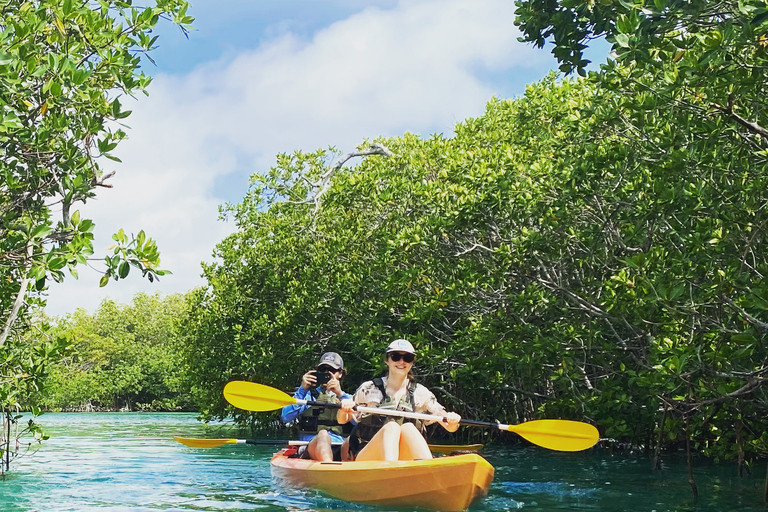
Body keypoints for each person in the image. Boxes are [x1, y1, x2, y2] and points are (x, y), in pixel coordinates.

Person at [337, 339, 461, 461]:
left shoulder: (421, 393)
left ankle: (428, 471)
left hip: (404, 457)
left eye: (407, 358)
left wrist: (452, 420)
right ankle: (390, 469)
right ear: (387, 360)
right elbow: (342, 420)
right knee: (391, 427)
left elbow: (449, 426)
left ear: (412, 362)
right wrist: (344, 409)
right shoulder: (368, 388)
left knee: (408, 428)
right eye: (396, 357)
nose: (401, 362)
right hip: (368, 455)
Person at [281, 352, 352, 461]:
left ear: (340, 373)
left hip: (340, 447)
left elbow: (359, 421)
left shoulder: (348, 399)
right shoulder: (306, 396)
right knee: (323, 434)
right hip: (310, 447)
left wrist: (340, 394)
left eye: (331, 370)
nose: (326, 373)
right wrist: (303, 389)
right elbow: (285, 416)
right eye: (322, 370)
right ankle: (328, 468)